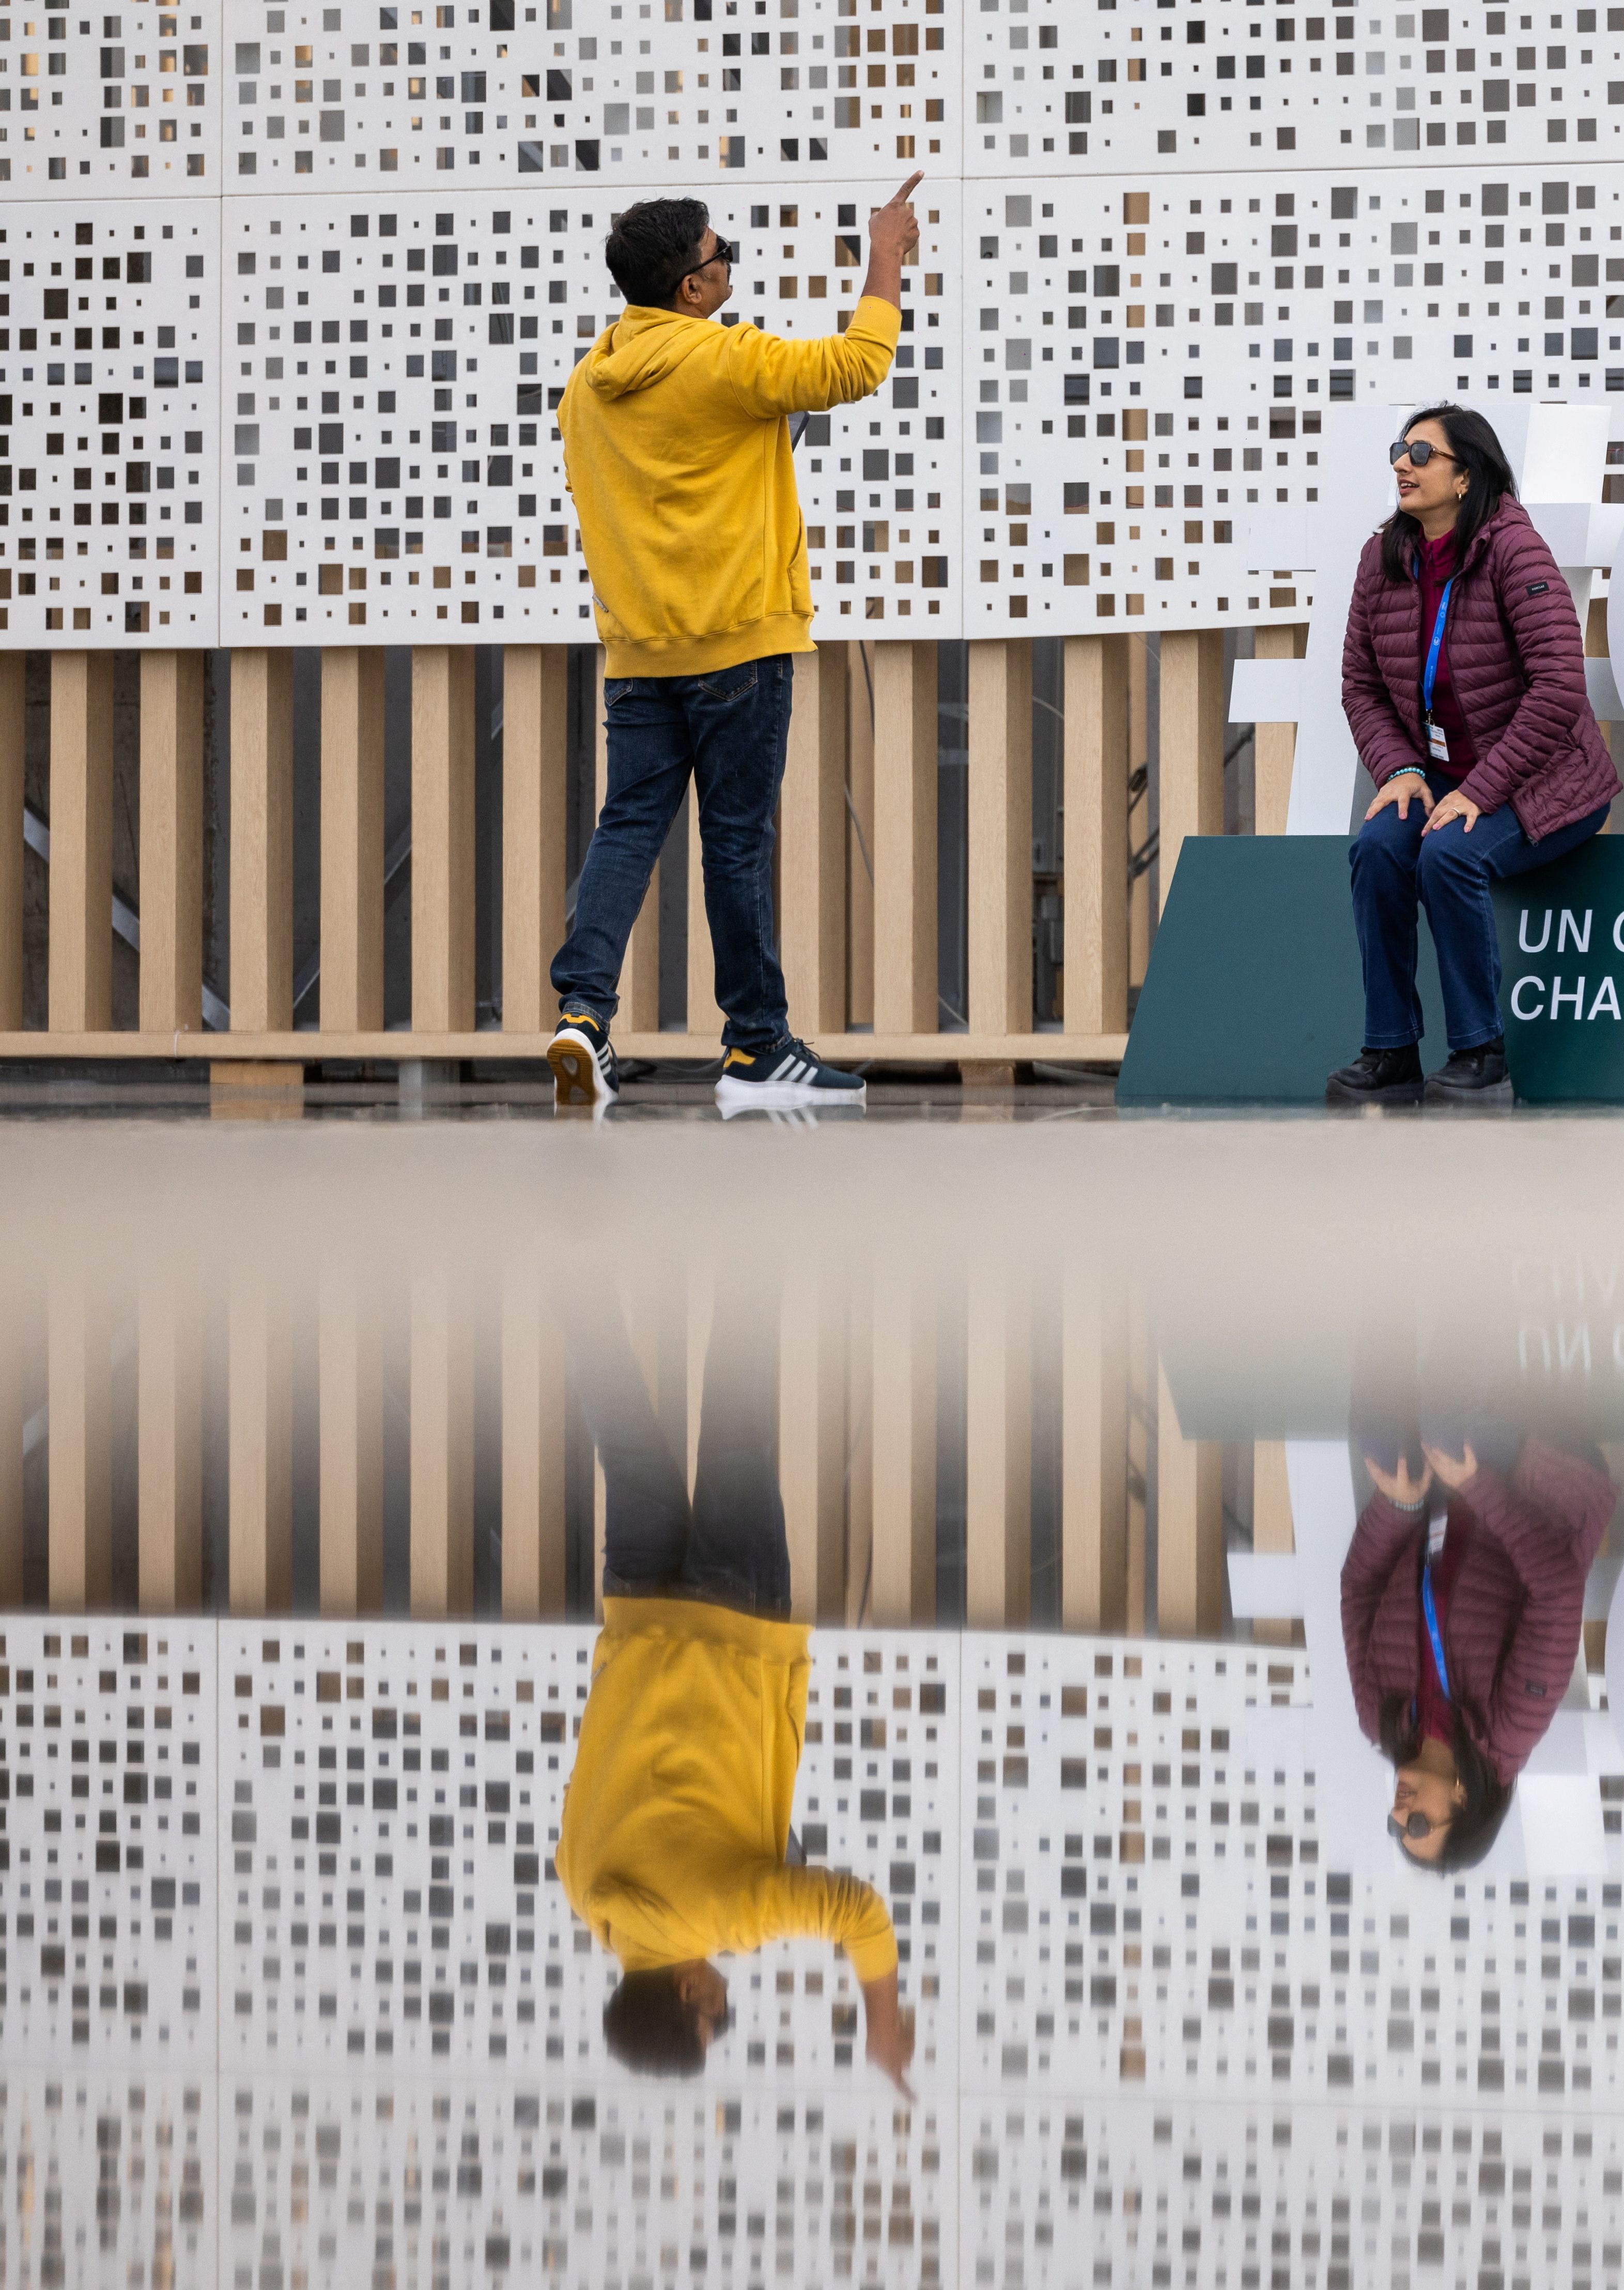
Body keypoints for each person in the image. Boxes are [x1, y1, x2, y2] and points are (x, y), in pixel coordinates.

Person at [541, 177, 926, 1115]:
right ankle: (756, 1048)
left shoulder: (588, 390)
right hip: (738, 651)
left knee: (626, 829)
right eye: (724, 259)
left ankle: (584, 1012)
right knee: (736, 844)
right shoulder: (722, 361)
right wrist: (886, 253)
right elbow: (856, 367)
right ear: (692, 289)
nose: (729, 271)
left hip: (641, 655)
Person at [554, 1287, 917, 2094]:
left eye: (714, 2009)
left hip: (733, 1625)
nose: (724, 1993)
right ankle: (567, 1265)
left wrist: (883, 2018)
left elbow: (858, 1911)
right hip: (640, 1610)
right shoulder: (583, 1888)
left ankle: (753, 1222)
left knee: (737, 1426)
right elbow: (590, 1781)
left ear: (688, 1992)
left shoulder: (726, 1915)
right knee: (624, 1433)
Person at [1325, 405, 1624, 1109]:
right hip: (1439, 775)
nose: (1402, 463)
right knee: (1376, 848)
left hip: (1546, 779)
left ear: (1467, 476)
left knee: (1448, 854)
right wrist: (1399, 769)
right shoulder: (1384, 557)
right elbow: (1361, 683)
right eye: (1400, 450)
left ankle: (1480, 1056)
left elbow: (1558, 686)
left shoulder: (1515, 549)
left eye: (1422, 454)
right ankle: (1391, 1049)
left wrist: (1481, 790)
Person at [1340, 1424, 1616, 1870]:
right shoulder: (1510, 1727)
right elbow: (1557, 1591)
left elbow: (1359, 1587)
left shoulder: (1379, 1717)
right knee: (1445, 1413)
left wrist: (1398, 1505)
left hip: (1434, 1499)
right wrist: (1478, 1487)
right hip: (1535, 1489)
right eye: (1417, 1825)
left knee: (1374, 1421)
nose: (1397, 1813)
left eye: (1396, 1827)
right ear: (1464, 1799)